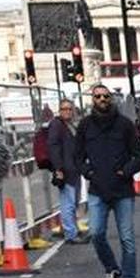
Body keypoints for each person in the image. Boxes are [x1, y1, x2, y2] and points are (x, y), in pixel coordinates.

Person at [75, 82, 140, 278]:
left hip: (122, 191)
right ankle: (111, 269)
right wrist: (88, 172)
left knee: (127, 238)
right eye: (97, 96)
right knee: (96, 233)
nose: (102, 100)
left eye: (105, 96)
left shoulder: (124, 125)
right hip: (97, 189)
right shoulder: (85, 126)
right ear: (92, 100)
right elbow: (78, 156)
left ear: (111, 98)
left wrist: (125, 172)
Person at [47, 99, 87, 244]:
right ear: (59, 110)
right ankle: (71, 234)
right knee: (68, 202)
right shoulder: (57, 125)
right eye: (64, 109)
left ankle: (71, 229)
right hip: (66, 169)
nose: (67, 111)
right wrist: (58, 168)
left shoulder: (68, 125)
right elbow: (53, 147)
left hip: (74, 169)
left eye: (70, 109)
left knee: (73, 202)